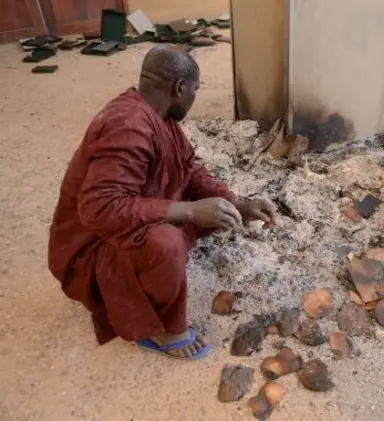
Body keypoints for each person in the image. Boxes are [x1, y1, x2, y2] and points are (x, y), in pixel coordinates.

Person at [48, 45, 276, 360]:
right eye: (196, 90)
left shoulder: (159, 115)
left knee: (209, 211)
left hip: (124, 217)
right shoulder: (126, 124)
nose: (195, 98)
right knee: (167, 242)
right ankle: (159, 328)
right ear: (179, 88)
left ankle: (160, 267)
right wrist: (192, 211)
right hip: (91, 247)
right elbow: (99, 207)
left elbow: (190, 171)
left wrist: (238, 204)